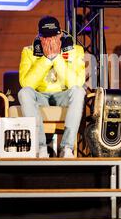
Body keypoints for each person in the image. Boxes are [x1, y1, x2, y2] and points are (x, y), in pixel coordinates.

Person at [18, 16, 85, 158]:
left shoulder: (75, 50)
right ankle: (40, 147)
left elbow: (76, 83)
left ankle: (67, 148)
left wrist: (57, 58)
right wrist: (46, 59)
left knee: (79, 91)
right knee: (24, 92)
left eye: (53, 36)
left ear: (60, 34)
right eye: (46, 37)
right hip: (40, 95)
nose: (50, 41)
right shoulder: (29, 51)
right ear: (39, 36)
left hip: (63, 94)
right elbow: (27, 84)